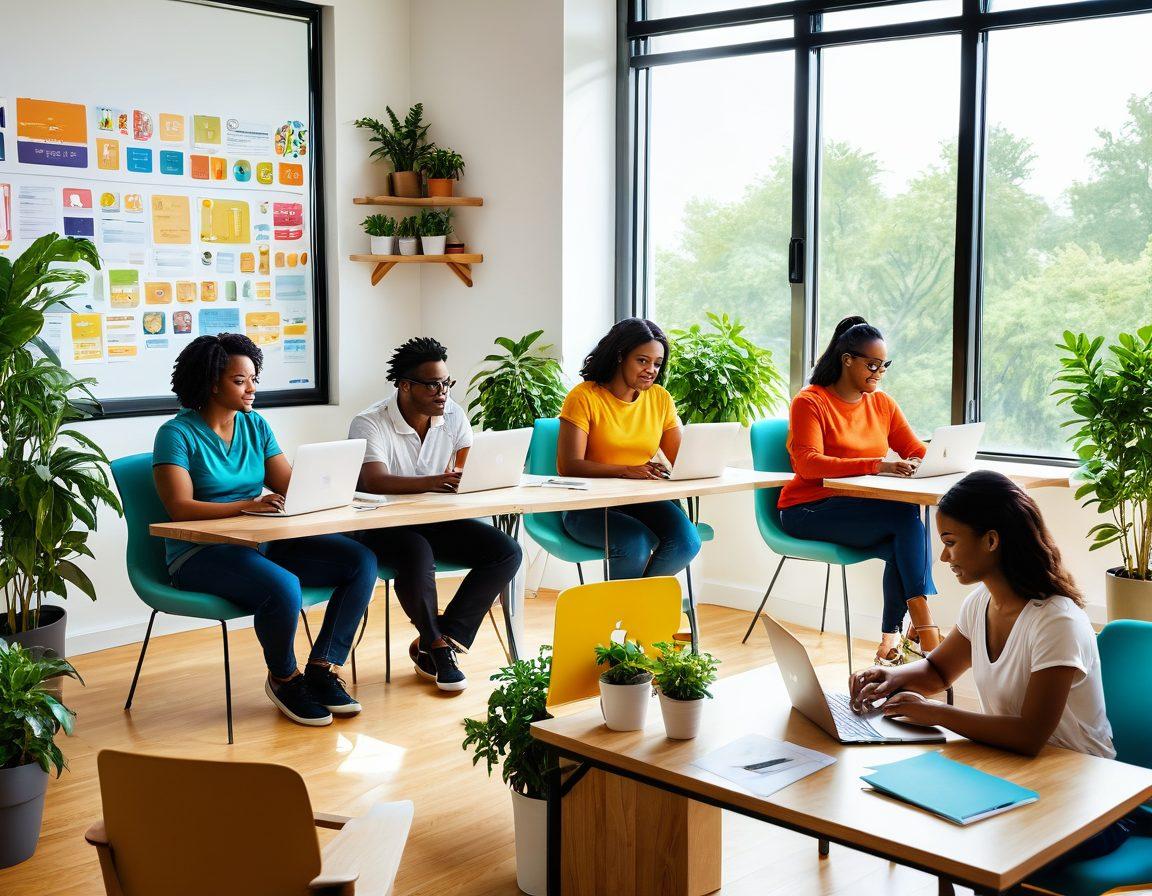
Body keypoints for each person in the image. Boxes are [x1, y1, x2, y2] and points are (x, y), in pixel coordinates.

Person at [849, 471, 1133, 870]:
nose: (943, 557)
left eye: (950, 543)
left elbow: (1030, 735)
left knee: (967, 843)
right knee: (919, 818)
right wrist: (890, 677)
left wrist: (934, 714)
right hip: (1021, 778)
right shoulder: (981, 604)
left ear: (992, 540)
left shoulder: (1056, 622)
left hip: (1086, 805)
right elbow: (936, 672)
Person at [153, 333, 376, 727]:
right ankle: (284, 678)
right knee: (283, 586)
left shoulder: (255, 425)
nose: (252, 388)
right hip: (200, 553)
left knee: (359, 561)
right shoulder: (176, 434)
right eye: (240, 380)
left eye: (253, 377)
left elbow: (288, 485)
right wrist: (247, 506)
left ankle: (322, 669)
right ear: (211, 383)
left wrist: (332, 488)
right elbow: (179, 507)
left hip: (260, 541)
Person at [350, 337, 522, 693]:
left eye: (446, 383)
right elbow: (373, 479)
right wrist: (437, 482)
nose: (442, 392)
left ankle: (446, 636)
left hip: (435, 519)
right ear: (405, 385)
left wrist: (476, 476)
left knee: (506, 551)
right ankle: (437, 644)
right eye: (433, 385)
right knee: (416, 551)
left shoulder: (452, 414)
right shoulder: (370, 422)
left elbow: (466, 463)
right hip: (381, 525)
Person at [779, 314, 937, 665]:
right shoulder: (810, 401)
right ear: (847, 359)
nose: (879, 373)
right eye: (873, 364)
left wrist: (942, 460)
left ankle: (889, 644)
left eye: (885, 366)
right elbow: (808, 464)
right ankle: (924, 628)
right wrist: (877, 465)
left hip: (854, 509)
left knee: (905, 531)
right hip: (806, 509)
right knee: (904, 517)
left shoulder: (882, 404)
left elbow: (914, 448)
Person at [556, 318, 701, 579]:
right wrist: (625, 470)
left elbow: (680, 459)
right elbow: (568, 465)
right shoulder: (584, 396)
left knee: (687, 541)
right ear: (620, 356)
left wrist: (705, 459)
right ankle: (624, 616)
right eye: (642, 360)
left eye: (657, 363)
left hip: (641, 500)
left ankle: (633, 613)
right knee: (634, 543)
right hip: (588, 507)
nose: (651, 370)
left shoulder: (660, 398)